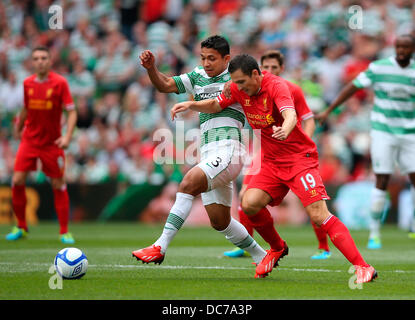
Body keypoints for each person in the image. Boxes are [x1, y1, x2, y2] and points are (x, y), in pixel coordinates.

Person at [171, 53, 377, 283]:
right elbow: (216, 104)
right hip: (270, 161)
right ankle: (277, 247)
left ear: (256, 74)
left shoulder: (278, 86)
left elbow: (290, 114)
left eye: (241, 82)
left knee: (319, 215)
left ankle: (362, 266)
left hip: (299, 159)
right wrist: (192, 104)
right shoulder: (238, 87)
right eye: (235, 82)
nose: (237, 87)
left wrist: (287, 128)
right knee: (249, 204)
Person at [132, 35, 268, 275]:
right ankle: (262, 256)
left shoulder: (235, 78)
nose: (206, 63)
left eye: (212, 59)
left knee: (187, 184)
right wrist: (152, 68)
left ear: (227, 59)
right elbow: (164, 85)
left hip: (229, 149)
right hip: (208, 152)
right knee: (220, 222)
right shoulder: (197, 76)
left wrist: (190, 104)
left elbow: (227, 99)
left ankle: (159, 246)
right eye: (203, 57)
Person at [222, 50, 331, 260]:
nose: (270, 70)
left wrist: (299, 147)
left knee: (311, 202)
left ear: (281, 69)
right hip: (264, 151)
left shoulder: (290, 90)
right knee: (246, 196)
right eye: (267, 67)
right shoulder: (248, 88)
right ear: (258, 70)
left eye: (274, 67)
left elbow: (308, 120)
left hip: (294, 153)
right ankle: (246, 244)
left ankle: (323, 246)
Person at [316, 34, 415, 246]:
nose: (401, 51)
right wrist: (329, 110)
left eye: (406, 47)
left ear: (412, 49)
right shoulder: (380, 68)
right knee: (382, 179)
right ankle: (374, 233)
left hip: (409, 132)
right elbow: (353, 87)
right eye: (398, 46)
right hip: (383, 131)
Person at [6, 46, 77, 244]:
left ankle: (64, 231)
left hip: (52, 143)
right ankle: (21, 226)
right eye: (36, 58)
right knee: (18, 180)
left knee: (58, 183)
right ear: (32, 62)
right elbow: (26, 109)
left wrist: (67, 136)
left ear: (50, 61)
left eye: (44, 57)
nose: (40, 61)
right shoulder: (27, 83)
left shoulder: (60, 83)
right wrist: (19, 127)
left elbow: (71, 112)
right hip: (30, 140)